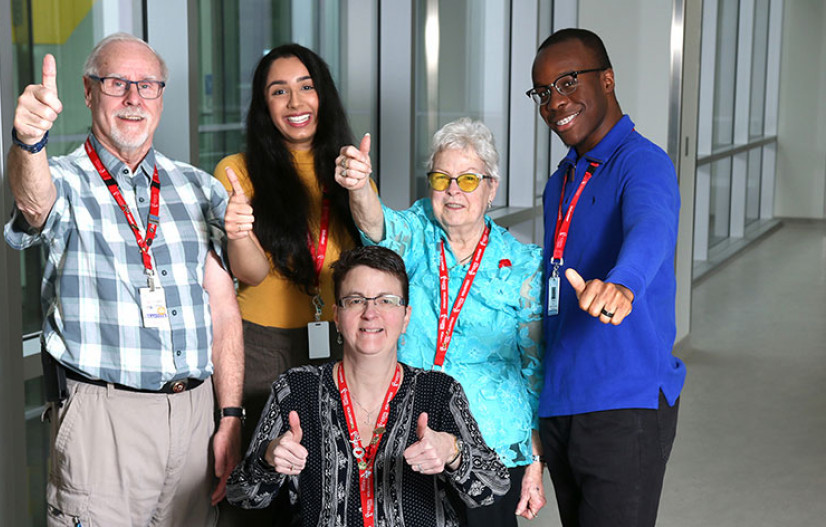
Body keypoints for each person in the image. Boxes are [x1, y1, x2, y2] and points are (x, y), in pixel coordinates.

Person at [3, 33, 243, 526]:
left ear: (161, 96)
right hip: (104, 421)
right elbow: (33, 200)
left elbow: (223, 312)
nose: (134, 99)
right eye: (117, 83)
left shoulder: (199, 187)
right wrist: (29, 143)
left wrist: (230, 416)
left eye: (148, 85)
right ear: (89, 93)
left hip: (196, 415)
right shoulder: (66, 181)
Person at [336, 118, 546, 524]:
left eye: (468, 180)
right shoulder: (417, 233)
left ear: (491, 188)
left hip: (492, 445)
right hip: (410, 434)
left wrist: (536, 462)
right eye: (441, 178)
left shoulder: (522, 265)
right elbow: (377, 227)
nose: (453, 190)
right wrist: (360, 186)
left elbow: (535, 371)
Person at [227, 245, 510, 526]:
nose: (370, 313)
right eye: (355, 300)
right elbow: (242, 495)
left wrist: (452, 451)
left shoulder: (439, 391)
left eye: (386, 300)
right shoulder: (295, 389)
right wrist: (267, 459)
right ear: (336, 316)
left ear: (406, 317)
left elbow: (494, 487)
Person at [526, 28, 685, 527]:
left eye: (568, 82)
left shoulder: (644, 163)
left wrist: (623, 283)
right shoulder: (562, 181)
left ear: (608, 79)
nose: (556, 101)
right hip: (563, 400)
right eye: (544, 91)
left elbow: (651, 226)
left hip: (623, 403)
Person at [213, 44, 366, 451]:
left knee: (325, 475)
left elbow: (373, 248)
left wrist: (363, 186)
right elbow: (250, 273)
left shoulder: (348, 168)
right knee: (261, 472)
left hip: (335, 339)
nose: (295, 102)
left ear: (324, 95)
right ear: (264, 105)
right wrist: (239, 231)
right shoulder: (236, 171)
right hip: (262, 346)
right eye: (279, 91)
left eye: (306, 86)